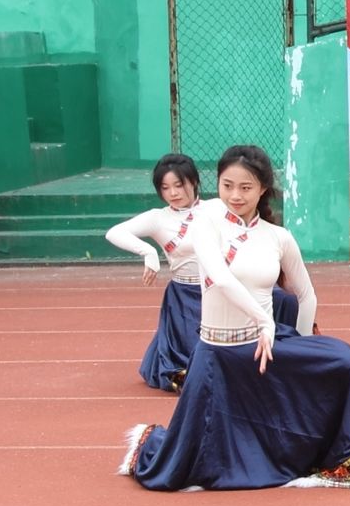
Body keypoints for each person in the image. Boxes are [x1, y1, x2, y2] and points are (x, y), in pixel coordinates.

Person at [119, 145, 350, 491]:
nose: (235, 196)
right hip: (219, 356)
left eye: (246, 187)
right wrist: (264, 320)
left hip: (263, 349)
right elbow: (220, 278)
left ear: (263, 189)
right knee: (185, 465)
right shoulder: (205, 224)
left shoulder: (277, 237)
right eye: (227, 186)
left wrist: (303, 348)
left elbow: (306, 295)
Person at [106, 153, 297, 391]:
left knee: (285, 300)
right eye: (165, 187)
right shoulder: (157, 218)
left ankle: (280, 356)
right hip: (186, 296)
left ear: (195, 181)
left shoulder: (216, 207)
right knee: (199, 359)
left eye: (179, 185)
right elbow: (114, 233)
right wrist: (148, 252)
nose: (173, 193)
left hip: (229, 287)